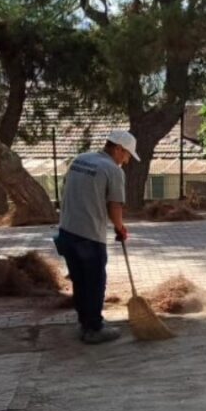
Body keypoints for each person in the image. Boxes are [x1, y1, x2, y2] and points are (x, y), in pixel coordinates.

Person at [55, 130, 137, 345]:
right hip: (89, 236)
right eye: (127, 154)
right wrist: (120, 228)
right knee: (94, 283)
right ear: (118, 148)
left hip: (66, 232)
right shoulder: (113, 170)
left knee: (80, 281)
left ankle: (84, 323)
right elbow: (115, 206)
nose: (127, 161)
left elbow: (67, 189)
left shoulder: (80, 160)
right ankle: (94, 329)